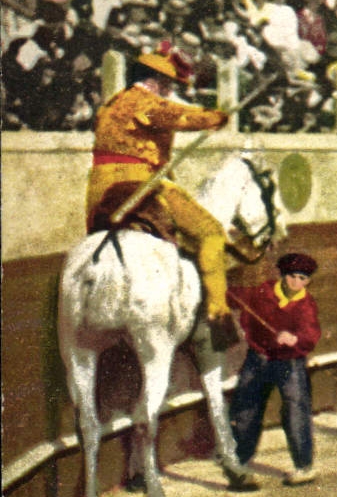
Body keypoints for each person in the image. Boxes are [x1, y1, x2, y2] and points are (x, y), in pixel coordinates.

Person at [85, 42, 233, 323]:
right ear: (157, 81)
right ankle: (217, 310)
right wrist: (219, 117)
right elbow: (184, 116)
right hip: (139, 184)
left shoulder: (112, 104)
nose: (171, 91)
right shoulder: (147, 103)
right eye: (169, 84)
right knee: (211, 231)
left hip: (97, 189)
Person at [228, 252, 323, 486]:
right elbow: (237, 297)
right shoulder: (264, 291)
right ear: (283, 275)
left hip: (290, 363)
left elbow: (311, 333)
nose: (296, 283)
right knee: (246, 409)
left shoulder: (306, 304)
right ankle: (239, 460)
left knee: (295, 411)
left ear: (308, 281)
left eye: (302, 278)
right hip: (258, 357)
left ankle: (303, 466)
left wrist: (296, 338)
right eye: (292, 276)